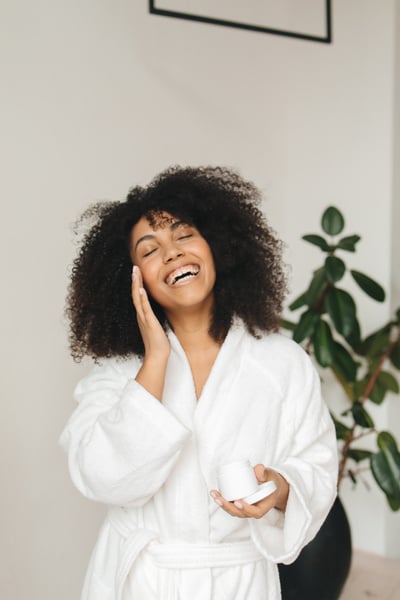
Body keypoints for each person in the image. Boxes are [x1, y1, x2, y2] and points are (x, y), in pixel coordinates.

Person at [60, 166, 338, 600]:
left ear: (217, 247)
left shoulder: (282, 363)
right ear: (134, 279)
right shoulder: (118, 372)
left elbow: (317, 464)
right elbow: (103, 479)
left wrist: (280, 490)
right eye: (149, 250)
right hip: (142, 582)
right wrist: (155, 359)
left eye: (184, 234)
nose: (171, 253)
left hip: (238, 581)